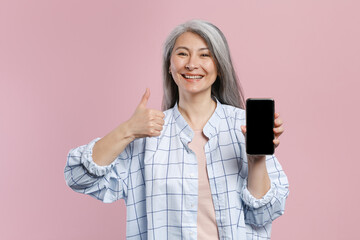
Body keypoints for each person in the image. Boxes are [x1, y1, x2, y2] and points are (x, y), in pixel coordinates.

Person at [64, 19, 289, 240]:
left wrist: (257, 159)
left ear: (219, 67)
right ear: (169, 66)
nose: (192, 64)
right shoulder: (147, 134)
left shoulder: (243, 126)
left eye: (205, 54)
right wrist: (127, 130)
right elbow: (78, 177)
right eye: (182, 54)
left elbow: (263, 215)